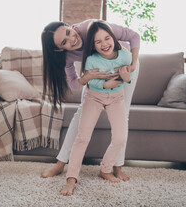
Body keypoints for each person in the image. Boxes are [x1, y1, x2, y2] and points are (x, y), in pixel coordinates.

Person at [41, 19, 140, 181]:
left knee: (124, 115)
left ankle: (117, 166)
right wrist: (87, 77)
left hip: (124, 66)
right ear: (59, 49)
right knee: (81, 114)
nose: (71, 39)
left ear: (71, 26)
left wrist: (132, 66)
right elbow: (74, 84)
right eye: (64, 42)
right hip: (97, 73)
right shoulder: (67, 56)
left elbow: (134, 36)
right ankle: (60, 164)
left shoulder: (92, 27)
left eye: (68, 32)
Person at [60, 20, 133, 196]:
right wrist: (105, 84)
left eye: (107, 38)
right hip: (93, 97)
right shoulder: (91, 60)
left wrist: (126, 78)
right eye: (98, 42)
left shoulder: (125, 55)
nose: (104, 44)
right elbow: (90, 81)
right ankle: (71, 178)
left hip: (117, 98)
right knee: (82, 137)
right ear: (93, 45)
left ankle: (105, 169)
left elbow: (127, 77)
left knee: (120, 138)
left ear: (114, 38)